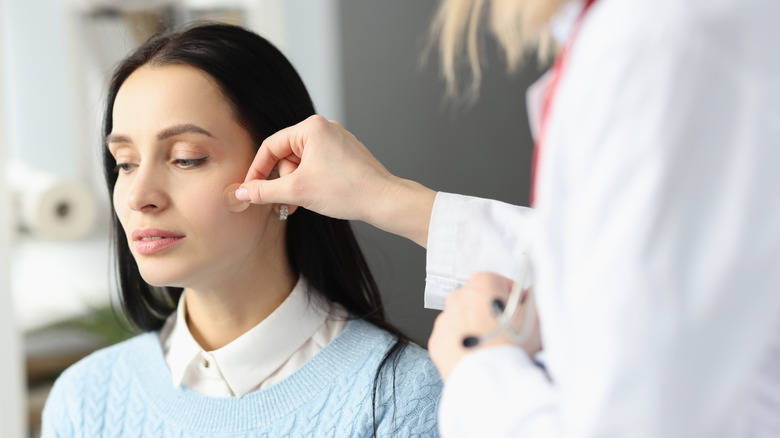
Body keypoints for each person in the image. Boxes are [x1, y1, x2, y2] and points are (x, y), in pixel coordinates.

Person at [233, 0, 780, 436]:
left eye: (188, 158)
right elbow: (619, 261)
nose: (144, 196)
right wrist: (383, 196)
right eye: (138, 161)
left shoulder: (662, 41)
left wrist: (479, 370)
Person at [41, 24, 441, 437]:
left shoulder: (400, 399)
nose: (139, 195)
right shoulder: (85, 401)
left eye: (186, 158)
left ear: (283, 173)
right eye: (125, 163)